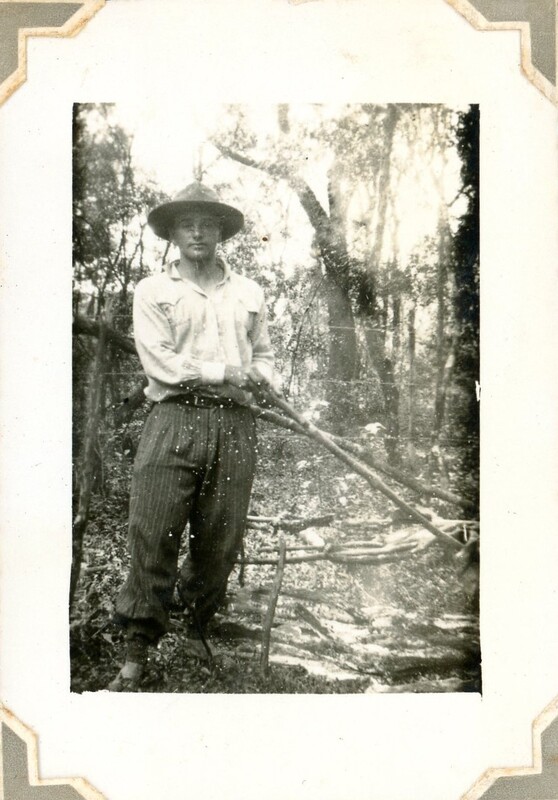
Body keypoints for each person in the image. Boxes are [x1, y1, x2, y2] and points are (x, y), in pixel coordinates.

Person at [109, 182, 274, 691]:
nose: (198, 232)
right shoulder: (153, 291)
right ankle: (137, 648)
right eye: (187, 224)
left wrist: (262, 377)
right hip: (174, 417)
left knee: (221, 536)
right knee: (153, 531)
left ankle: (198, 624)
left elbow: (263, 353)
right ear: (173, 234)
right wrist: (226, 371)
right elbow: (160, 361)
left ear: (221, 232)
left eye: (207, 224)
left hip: (235, 424)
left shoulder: (249, 292)